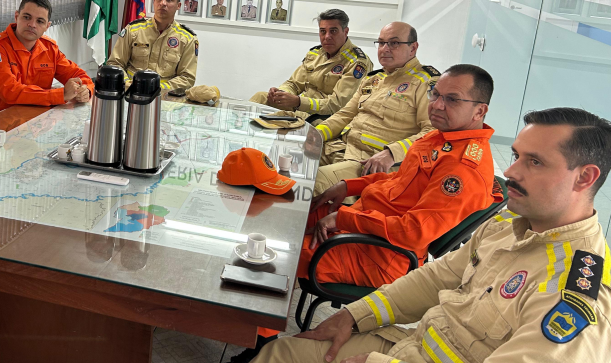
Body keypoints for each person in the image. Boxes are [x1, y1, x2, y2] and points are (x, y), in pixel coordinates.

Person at [253, 107, 611, 363]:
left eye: (535, 162)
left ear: (585, 177)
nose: (511, 171)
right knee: (280, 352)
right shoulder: (510, 225)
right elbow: (436, 276)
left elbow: (415, 232)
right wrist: (354, 316)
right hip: (414, 344)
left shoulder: (574, 295)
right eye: (516, 155)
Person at [242, 65, 502, 362]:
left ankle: (259, 344)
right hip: (363, 222)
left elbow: (414, 231)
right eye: (436, 94)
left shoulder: (463, 169)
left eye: (452, 99)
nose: (437, 105)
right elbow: (397, 180)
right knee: (280, 214)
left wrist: (344, 218)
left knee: (274, 257)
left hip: (380, 254)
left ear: (479, 111)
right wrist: (347, 186)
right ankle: (251, 316)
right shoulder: (441, 137)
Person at [313, 22, 440, 195]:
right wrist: (315, 135)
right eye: (381, 43)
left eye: (394, 43)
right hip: (339, 148)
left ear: (413, 48)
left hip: (370, 164)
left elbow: (433, 132)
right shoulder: (374, 79)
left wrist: (392, 153)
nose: (385, 49)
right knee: (285, 163)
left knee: (311, 184)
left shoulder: (426, 83)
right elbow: (345, 115)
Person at [0, 0, 93, 119]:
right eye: (27, 17)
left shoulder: (50, 49)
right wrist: (61, 94)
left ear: (47, 26)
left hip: (37, 121)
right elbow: (10, 92)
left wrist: (85, 90)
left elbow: (78, 75)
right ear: (16, 17)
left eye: (40, 21)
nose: (32, 24)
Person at [249, 9, 372, 117]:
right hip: (301, 107)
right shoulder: (315, 54)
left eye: (333, 31)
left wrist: (298, 102)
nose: (327, 36)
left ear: (346, 31)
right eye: (323, 31)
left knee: (277, 119)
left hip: (324, 117)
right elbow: (294, 84)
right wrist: (281, 94)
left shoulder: (357, 62)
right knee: (260, 97)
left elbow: (337, 104)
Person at [107, 0, 198, 92]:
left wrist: (157, 88)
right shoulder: (133, 30)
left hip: (164, 97)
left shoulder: (187, 39)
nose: (163, 3)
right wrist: (128, 84)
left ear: (178, 5)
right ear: (154, 1)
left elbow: (187, 78)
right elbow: (115, 63)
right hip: (131, 93)